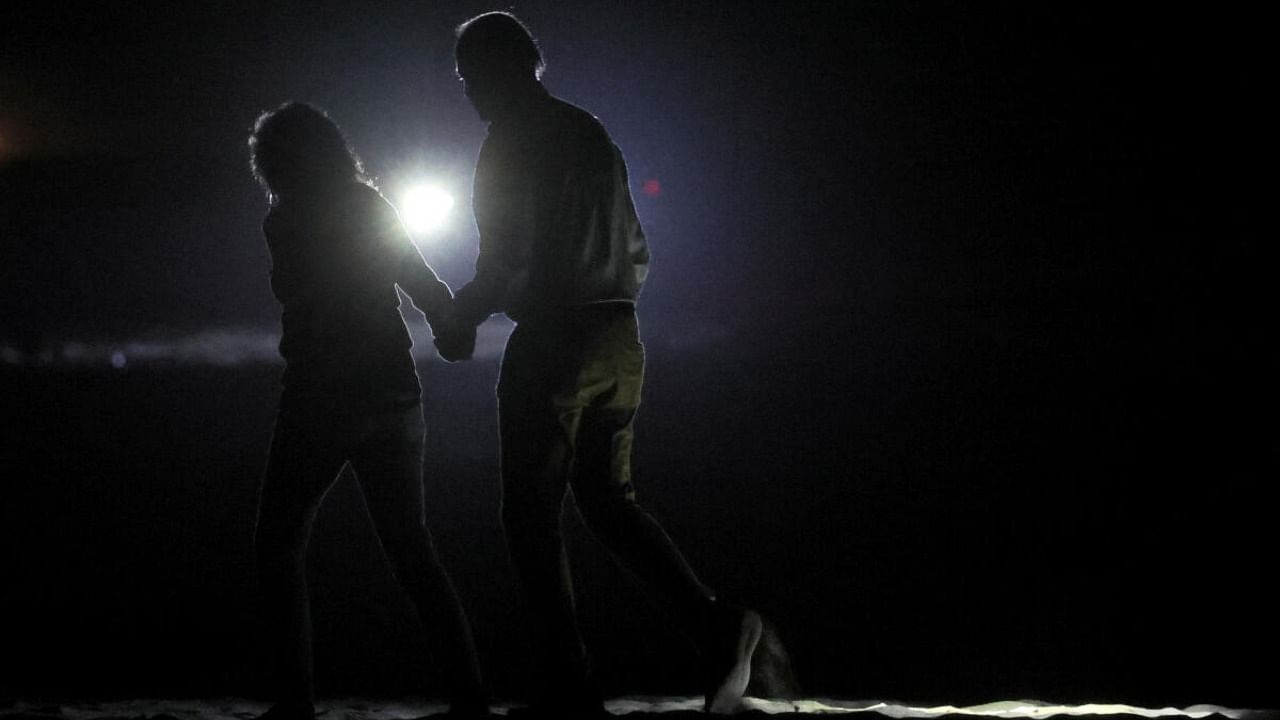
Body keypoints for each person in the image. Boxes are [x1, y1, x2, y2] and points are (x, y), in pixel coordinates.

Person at [437, 12, 762, 716]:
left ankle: (569, 682)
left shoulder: (507, 143)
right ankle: (714, 624)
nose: (468, 94)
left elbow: (505, 262)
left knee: (529, 518)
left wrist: (460, 316)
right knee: (609, 503)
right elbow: (639, 249)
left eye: (468, 79)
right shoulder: (590, 131)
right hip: (622, 335)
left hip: (555, 339)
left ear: (493, 72)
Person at [247, 101, 487, 720]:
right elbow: (420, 279)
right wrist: (451, 329)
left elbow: (297, 294)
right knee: (411, 549)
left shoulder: (285, 221)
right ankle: (469, 697)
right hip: (390, 390)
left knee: (278, 546)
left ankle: (295, 700)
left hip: (320, 396)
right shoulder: (367, 207)